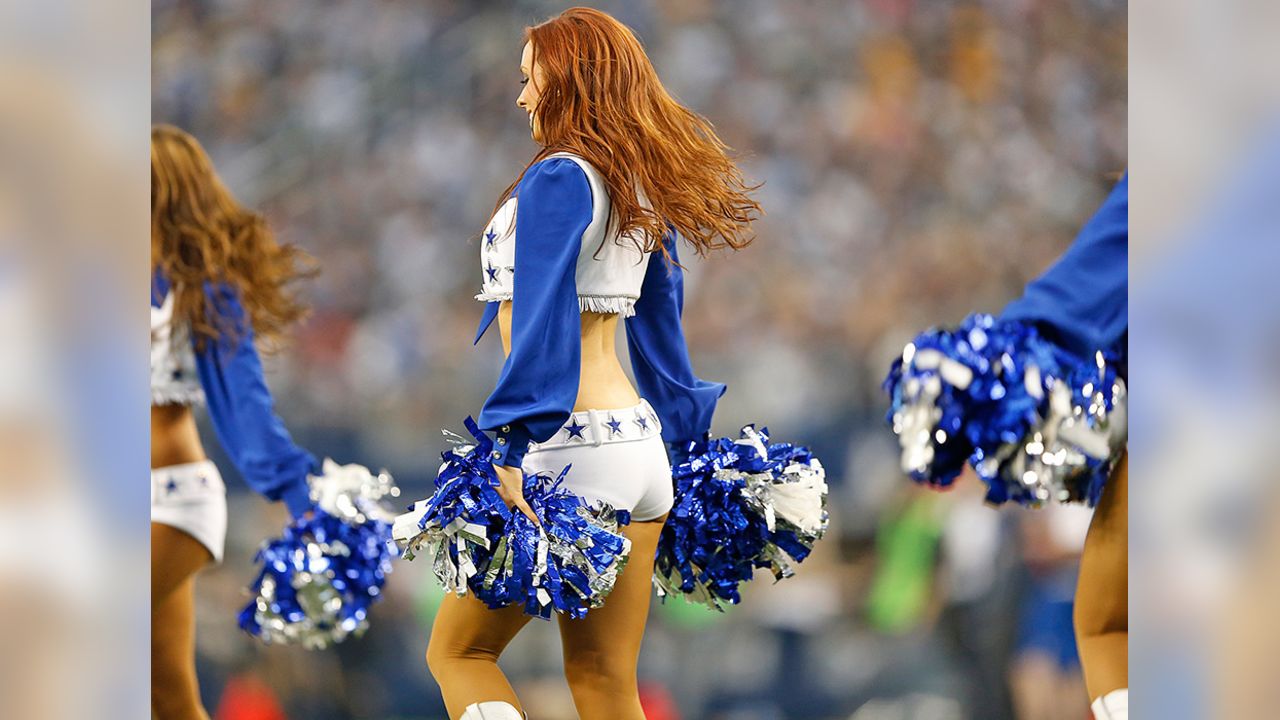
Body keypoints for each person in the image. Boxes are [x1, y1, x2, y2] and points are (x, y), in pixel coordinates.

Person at [422, 8, 760, 720]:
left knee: (459, 654)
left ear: (570, 78)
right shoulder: (638, 183)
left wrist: (510, 439)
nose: (521, 99)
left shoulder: (559, 178)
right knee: (606, 684)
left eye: (530, 80)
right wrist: (687, 443)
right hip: (639, 453)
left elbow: (542, 313)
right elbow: (663, 333)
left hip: (564, 448)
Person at [150, 124, 321, 719]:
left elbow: (246, 410)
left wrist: (301, 497)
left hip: (167, 501)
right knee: (169, 695)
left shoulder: (202, 292)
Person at [1000, 173, 1129, 720]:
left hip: (1102, 574)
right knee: (1032, 678)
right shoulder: (1056, 407)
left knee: (1093, 689)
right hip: (1054, 585)